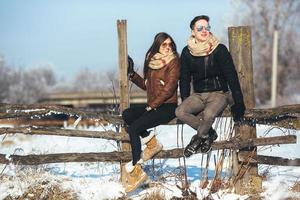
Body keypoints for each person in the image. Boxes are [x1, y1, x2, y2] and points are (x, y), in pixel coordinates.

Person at [175, 15, 246, 157]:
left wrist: (239, 102)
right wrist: (185, 99)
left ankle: (197, 139)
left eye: (207, 27)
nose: (204, 30)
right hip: (198, 95)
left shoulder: (219, 49)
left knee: (208, 115)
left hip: (219, 94)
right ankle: (208, 134)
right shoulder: (186, 52)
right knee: (180, 112)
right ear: (192, 31)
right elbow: (184, 78)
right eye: (200, 28)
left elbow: (231, 75)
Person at [122, 32, 180, 192]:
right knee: (127, 115)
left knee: (133, 128)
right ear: (157, 46)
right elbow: (148, 86)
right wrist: (132, 74)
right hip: (154, 105)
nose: (168, 47)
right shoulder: (153, 62)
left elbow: (169, 89)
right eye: (164, 45)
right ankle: (152, 144)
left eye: (170, 44)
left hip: (168, 107)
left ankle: (136, 170)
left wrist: (151, 106)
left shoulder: (174, 62)